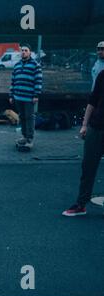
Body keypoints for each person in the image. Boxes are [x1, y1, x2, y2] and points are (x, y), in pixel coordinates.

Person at [62, 69, 104, 217]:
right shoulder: (103, 74)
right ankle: (81, 204)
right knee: (88, 167)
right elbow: (93, 101)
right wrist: (85, 125)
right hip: (97, 127)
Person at [9, 44, 43, 150]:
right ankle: (24, 136)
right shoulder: (17, 65)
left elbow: (38, 81)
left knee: (29, 118)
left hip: (29, 98)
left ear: (30, 52)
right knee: (22, 117)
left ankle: (29, 139)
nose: (23, 52)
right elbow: (13, 81)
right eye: (22, 50)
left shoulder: (35, 65)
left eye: (26, 50)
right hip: (18, 97)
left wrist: (36, 94)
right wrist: (11, 95)